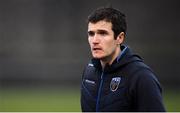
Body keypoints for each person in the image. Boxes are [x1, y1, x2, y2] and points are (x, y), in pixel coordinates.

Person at [80, 7, 166, 112]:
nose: (95, 40)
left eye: (103, 33)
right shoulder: (89, 72)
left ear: (120, 38)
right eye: (91, 34)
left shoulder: (141, 76)